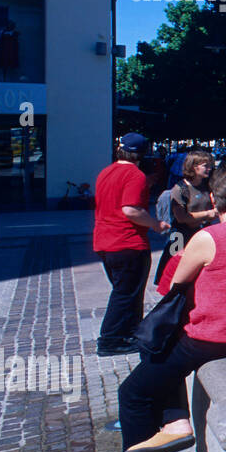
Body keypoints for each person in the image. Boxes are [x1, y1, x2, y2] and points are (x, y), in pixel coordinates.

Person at [87, 162, 226, 452]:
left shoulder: (208, 237)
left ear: (216, 200)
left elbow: (176, 286)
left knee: (133, 392)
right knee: (160, 352)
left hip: (210, 339)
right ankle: (175, 421)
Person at [92, 133, 171, 356]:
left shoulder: (105, 172)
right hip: (127, 242)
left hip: (105, 242)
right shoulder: (134, 175)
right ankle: (110, 340)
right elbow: (131, 210)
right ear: (142, 154)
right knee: (125, 294)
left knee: (124, 291)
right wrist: (155, 224)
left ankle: (128, 334)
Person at [153, 150, 216, 286]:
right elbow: (181, 217)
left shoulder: (207, 186)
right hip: (180, 236)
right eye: (206, 165)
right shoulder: (180, 189)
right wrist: (208, 214)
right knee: (174, 269)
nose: (209, 169)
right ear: (194, 166)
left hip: (200, 234)